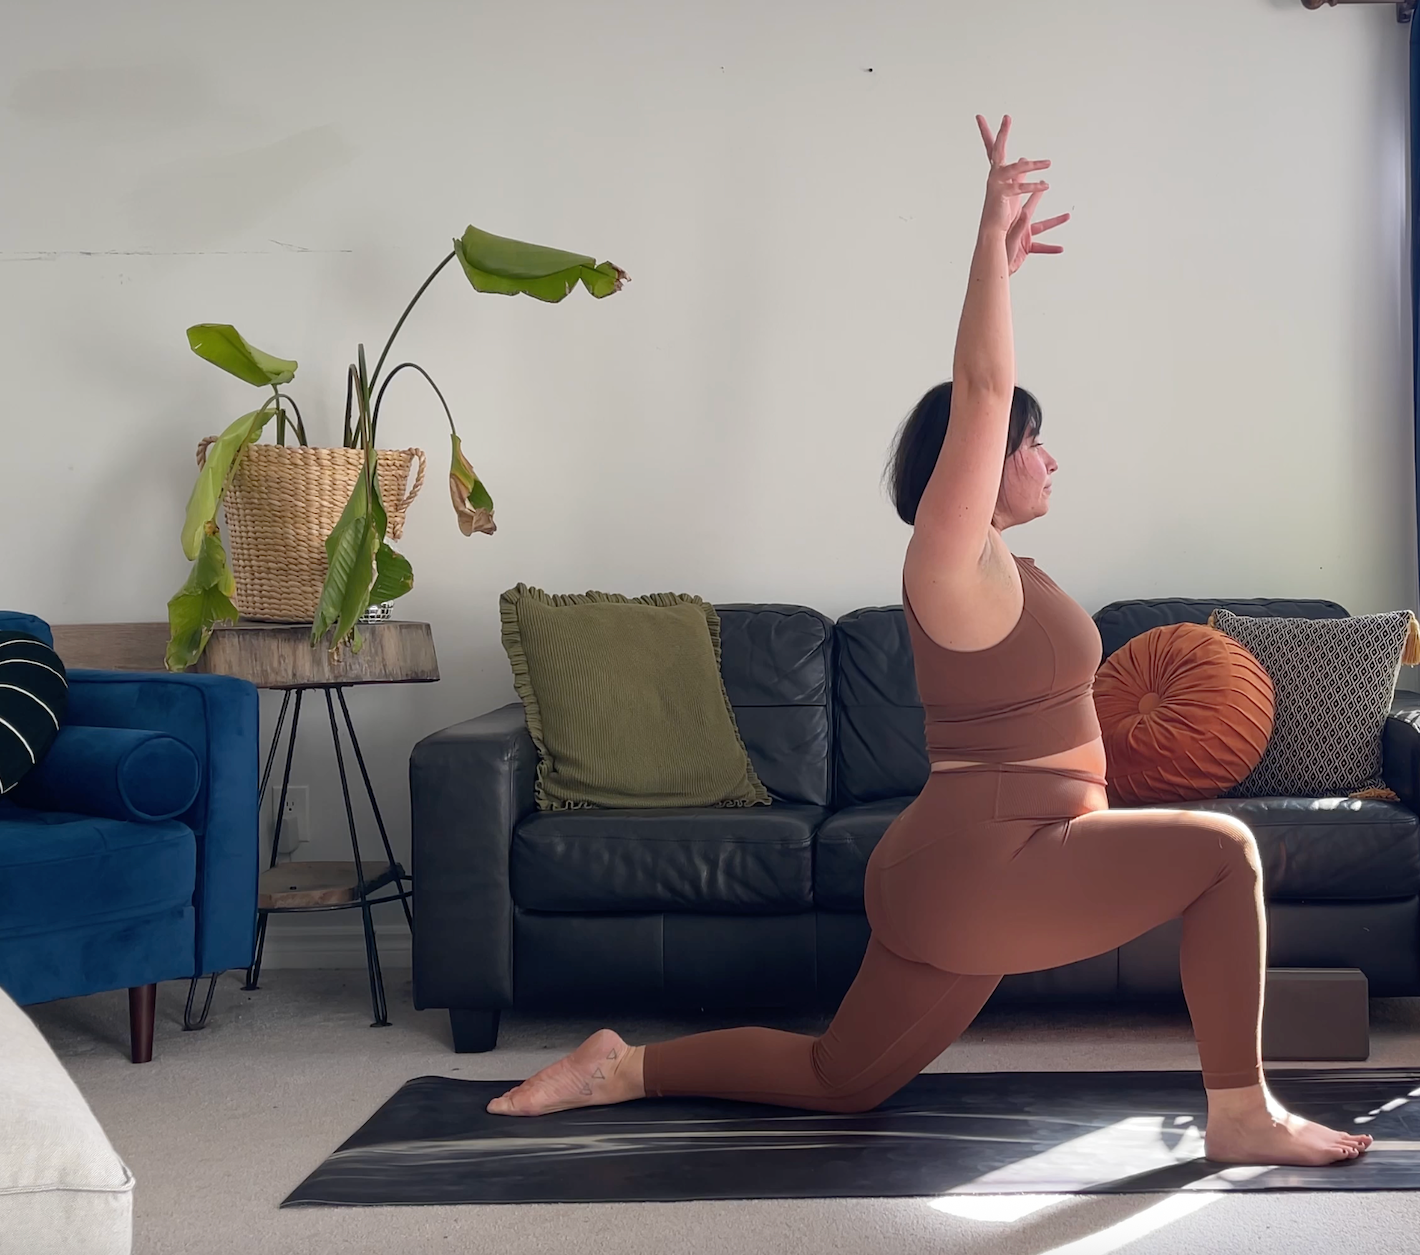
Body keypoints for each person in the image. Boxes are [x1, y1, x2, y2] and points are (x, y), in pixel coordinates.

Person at [488, 115, 1371, 1166]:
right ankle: (1242, 1116)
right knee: (1226, 854)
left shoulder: (1014, 572)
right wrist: (989, 248)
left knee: (841, 1079)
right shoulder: (947, 567)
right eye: (1029, 444)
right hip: (990, 862)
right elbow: (985, 391)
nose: (1046, 458)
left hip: (978, 866)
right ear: (976, 460)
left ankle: (620, 1067)